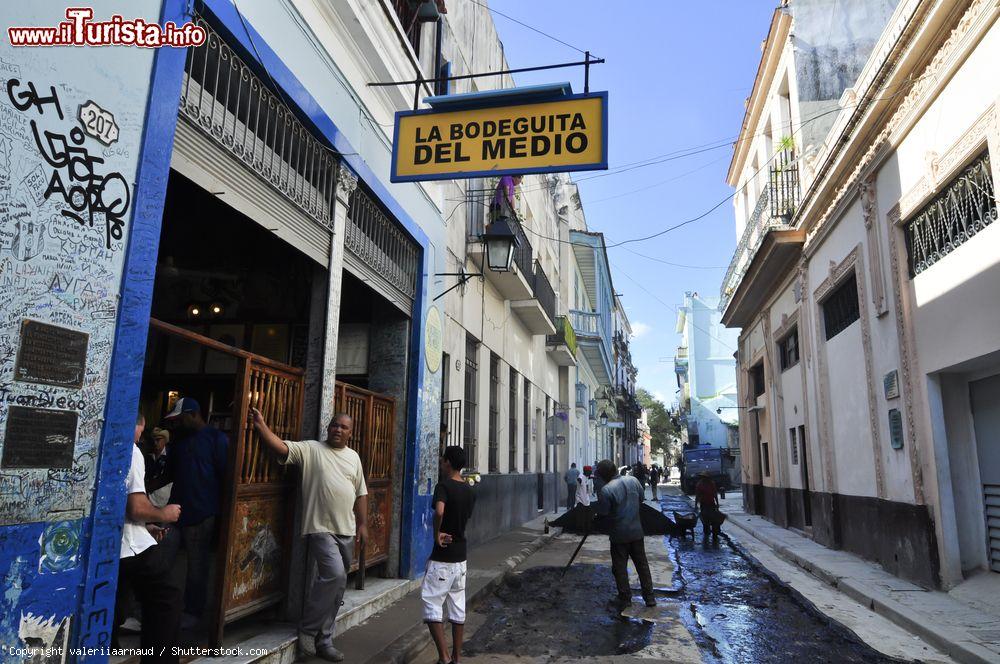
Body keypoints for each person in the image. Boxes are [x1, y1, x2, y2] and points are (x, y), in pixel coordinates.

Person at [252, 409, 367, 662]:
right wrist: (261, 426)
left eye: (344, 427)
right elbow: (282, 448)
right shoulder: (312, 449)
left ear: (350, 432)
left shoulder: (353, 457)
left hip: (346, 529)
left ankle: (325, 640)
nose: (338, 429)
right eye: (334, 425)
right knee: (335, 575)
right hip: (320, 528)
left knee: (337, 589)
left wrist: (363, 524)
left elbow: (360, 493)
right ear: (328, 427)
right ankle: (308, 628)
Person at [115, 411, 183, 662]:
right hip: (127, 545)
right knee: (167, 598)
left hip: (122, 538)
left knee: (120, 595)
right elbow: (136, 508)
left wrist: (145, 526)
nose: (141, 438)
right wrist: (163, 514)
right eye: (142, 432)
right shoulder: (130, 451)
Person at [160, 397, 228, 629]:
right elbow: (169, 474)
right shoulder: (179, 442)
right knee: (159, 560)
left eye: (180, 419)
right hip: (174, 511)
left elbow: (226, 476)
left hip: (203, 512)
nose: (177, 424)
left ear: (193, 414)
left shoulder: (217, 439)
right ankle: (154, 606)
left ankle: (193, 612)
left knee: (197, 567)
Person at [422, 446, 476, 664]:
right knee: (457, 605)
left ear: (448, 463)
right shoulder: (470, 490)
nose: (441, 463)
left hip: (443, 556)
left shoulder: (443, 486)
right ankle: (456, 657)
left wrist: (437, 534)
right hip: (461, 556)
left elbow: (440, 511)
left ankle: (444, 657)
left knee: (431, 602)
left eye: (443, 460)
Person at [595, 460, 656, 608]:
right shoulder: (634, 481)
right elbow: (641, 500)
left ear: (603, 475)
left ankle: (625, 598)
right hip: (636, 532)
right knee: (642, 565)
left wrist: (596, 518)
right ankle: (649, 598)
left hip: (619, 535)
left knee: (620, 567)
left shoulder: (606, 490)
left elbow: (604, 512)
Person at [145, 427, 171, 508]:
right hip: (148, 499)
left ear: (164, 440)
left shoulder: (170, 457)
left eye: (158, 440)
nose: (155, 443)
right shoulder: (148, 456)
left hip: (163, 501)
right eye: (154, 440)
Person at [695, 472, 723, 544]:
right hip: (704, 504)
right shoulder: (700, 484)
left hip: (711, 504)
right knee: (705, 519)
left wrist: (717, 503)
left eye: (706, 477)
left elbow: (714, 493)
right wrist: (696, 505)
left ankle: (714, 532)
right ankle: (707, 532)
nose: (705, 479)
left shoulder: (711, 484)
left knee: (713, 519)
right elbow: (697, 495)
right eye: (704, 477)